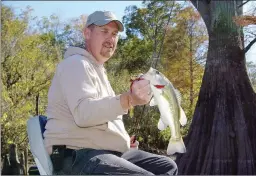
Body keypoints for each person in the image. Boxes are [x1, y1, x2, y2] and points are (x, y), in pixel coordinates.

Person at [43, 10, 178, 175]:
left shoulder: (99, 72)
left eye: (114, 34)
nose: (111, 39)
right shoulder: (75, 64)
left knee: (168, 166)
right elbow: (84, 114)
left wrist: (122, 141)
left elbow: (103, 117)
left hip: (106, 152)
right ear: (87, 33)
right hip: (76, 155)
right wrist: (128, 99)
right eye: (104, 31)